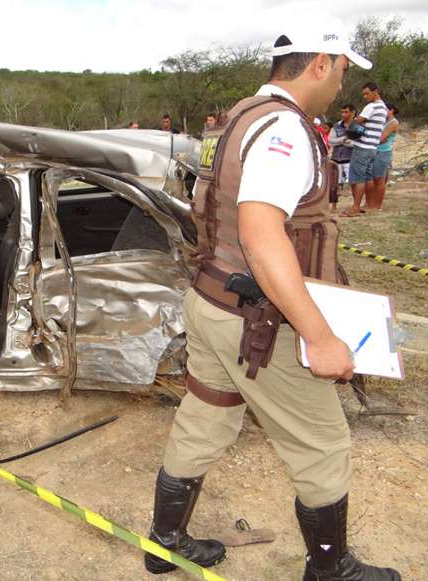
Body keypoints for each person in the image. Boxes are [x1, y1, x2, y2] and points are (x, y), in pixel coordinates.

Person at [143, 18, 401, 581]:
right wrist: (319, 335)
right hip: (260, 322)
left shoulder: (238, 117)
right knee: (322, 444)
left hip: (212, 302)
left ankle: (166, 540)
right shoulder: (284, 131)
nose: (342, 82)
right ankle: (331, 571)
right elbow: (263, 238)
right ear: (319, 64)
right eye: (341, 68)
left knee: (205, 418)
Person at [342, 82, 387, 216]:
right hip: (373, 147)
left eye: (367, 93)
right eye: (363, 94)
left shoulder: (371, 106)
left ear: (376, 91)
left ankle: (355, 207)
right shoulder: (383, 107)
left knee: (357, 179)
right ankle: (367, 204)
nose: (365, 96)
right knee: (368, 178)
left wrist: (351, 122)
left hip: (362, 147)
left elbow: (356, 122)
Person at [369, 103, 399, 210]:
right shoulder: (382, 122)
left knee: (379, 179)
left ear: (391, 110)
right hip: (375, 151)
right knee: (371, 179)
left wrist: (376, 139)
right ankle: (370, 203)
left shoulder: (393, 123)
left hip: (383, 153)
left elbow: (380, 138)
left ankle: (377, 204)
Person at [328, 104, 357, 210]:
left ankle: (355, 205)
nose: (344, 114)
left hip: (351, 158)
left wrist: (344, 142)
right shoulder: (336, 126)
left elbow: (357, 142)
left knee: (353, 182)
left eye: (346, 112)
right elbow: (330, 140)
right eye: (342, 112)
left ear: (352, 112)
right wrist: (343, 140)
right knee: (334, 183)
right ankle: (334, 206)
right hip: (336, 158)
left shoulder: (357, 125)